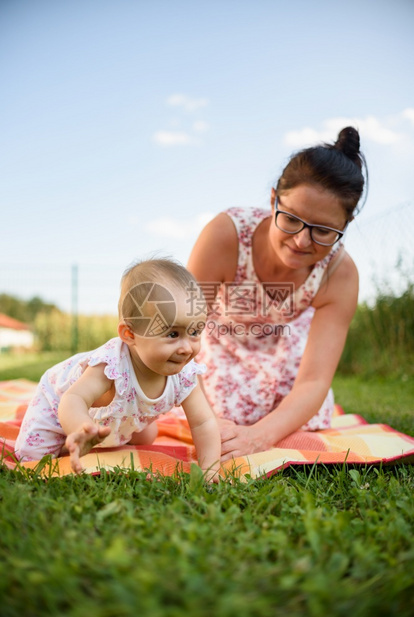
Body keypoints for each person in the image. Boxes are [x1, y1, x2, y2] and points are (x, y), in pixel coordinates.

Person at [187, 126, 367, 461]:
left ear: (346, 223)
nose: (301, 241)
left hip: (285, 346)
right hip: (221, 342)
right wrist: (206, 425)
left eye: (324, 230)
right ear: (273, 200)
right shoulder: (226, 235)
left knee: (305, 414)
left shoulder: (339, 273)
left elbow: (313, 381)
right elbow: (181, 335)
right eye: (292, 219)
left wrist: (259, 437)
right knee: (227, 406)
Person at [15, 259, 221, 478]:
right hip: (57, 405)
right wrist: (80, 428)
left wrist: (210, 470)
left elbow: (203, 422)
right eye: (173, 334)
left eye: (195, 332)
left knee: (146, 437)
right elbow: (73, 399)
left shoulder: (186, 374)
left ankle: (109, 433)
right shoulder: (110, 366)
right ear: (130, 335)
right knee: (33, 462)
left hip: (121, 416)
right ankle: (73, 441)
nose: (187, 348)